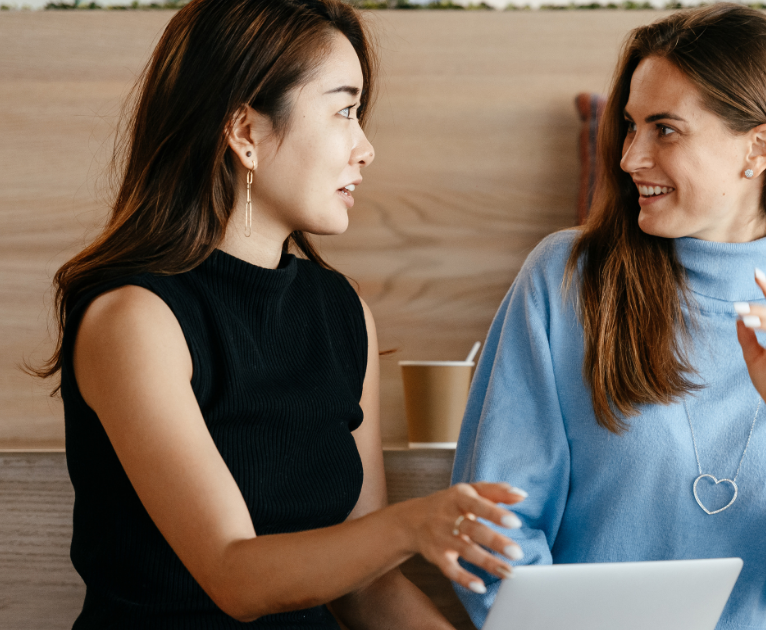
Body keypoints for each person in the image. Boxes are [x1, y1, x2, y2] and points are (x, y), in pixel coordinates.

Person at [33, 0, 524, 627]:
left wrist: (404, 535)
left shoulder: (342, 312)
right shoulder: (135, 320)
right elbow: (235, 577)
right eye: (345, 110)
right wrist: (412, 524)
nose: (366, 147)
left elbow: (366, 590)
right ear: (245, 133)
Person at [451, 5, 766, 628]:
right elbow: (493, 531)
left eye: (665, 130)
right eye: (630, 126)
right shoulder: (565, 278)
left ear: (758, 149)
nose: (630, 158)